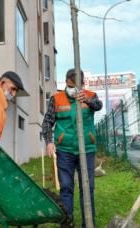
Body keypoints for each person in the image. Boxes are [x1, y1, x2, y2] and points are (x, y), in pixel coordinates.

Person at [42, 69, 103, 228]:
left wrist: (87, 101)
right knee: (66, 188)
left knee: (87, 188)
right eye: (68, 85)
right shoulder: (57, 98)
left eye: (74, 86)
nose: (71, 89)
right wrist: (49, 141)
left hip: (87, 149)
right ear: (65, 82)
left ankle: (89, 224)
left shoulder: (90, 96)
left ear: (82, 84)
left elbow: (99, 106)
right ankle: (67, 224)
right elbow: (47, 122)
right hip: (65, 150)